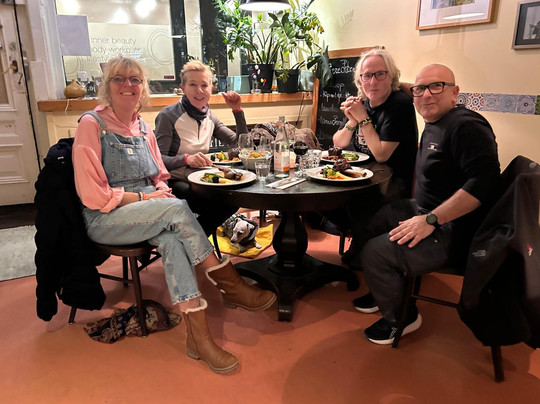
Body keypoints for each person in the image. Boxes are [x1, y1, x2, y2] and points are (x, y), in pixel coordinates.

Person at [72, 56, 276, 374]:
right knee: (177, 208)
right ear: (106, 86)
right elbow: (92, 195)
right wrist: (148, 197)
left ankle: (199, 340)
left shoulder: (143, 127)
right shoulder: (91, 124)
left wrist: (158, 193)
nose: (128, 85)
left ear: (143, 87)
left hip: (149, 209)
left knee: (172, 240)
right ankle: (229, 283)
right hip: (107, 217)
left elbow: (159, 176)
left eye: (135, 79)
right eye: (119, 78)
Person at [355, 64, 500, 345]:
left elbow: (484, 183)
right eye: (420, 89)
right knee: (372, 220)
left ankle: (402, 317)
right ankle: (386, 288)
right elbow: (413, 88)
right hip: (424, 210)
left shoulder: (465, 126)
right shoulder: (436, 120)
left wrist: (431, 220)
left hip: (454, 230)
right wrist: (389, 82)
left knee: (375, 252)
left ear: (454, 92)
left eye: (437, 87)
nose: (427, 95)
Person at [323, 49, 418, 263]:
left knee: (353, 203)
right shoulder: (363, 104)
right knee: (320, 197)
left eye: (380, 74)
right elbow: (338, 143)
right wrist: (352, 120)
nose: (373, 82)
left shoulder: (399, 104)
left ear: (391, 77)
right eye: (367, 75)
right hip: (362, 179)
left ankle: (363, 242)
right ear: (359, 80)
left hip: (390, 184)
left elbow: (381, 154)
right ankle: (359, 235)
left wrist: (363, 119)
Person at [154, 60, 247, 235]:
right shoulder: (168, 115)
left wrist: (237, 110)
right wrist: (186, 159)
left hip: (202, 179)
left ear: (211, 88)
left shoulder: (211, 117)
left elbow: (239, 144)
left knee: (234, 199)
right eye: (193, 85)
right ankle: (193, 242)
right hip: (174, 181)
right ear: (183, 88)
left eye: (204, 85)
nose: (199, 90)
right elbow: (158, 161)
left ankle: (188, 240)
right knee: (215, 205)